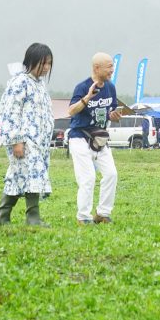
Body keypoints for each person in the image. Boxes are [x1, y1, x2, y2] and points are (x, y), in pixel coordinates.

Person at [0, 43, 55, 227]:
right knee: (31, 175)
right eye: (43, 63)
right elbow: (10, 112)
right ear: (31, 61)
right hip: (24, 141)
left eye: (49, 64)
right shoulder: (20, 82)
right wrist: (16, 141)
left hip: (38, 142)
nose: (46, 68)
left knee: (18, 175)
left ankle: (2, 215)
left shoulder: (40, 85)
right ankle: (33, 216)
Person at [67, 52, 121, 224]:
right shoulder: (82, 87)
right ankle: (83, 216)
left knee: (111, 174)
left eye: (113, 65)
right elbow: (71, 111)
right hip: (80, 137)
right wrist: (88, 96)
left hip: (100, 138)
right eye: (109, 66)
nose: (112, 69)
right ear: (97, 68)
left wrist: (114, 115)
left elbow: (110, 111)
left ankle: (102, 213)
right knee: (88, 177)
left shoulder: (110, 87)